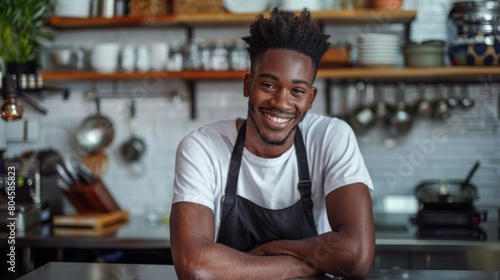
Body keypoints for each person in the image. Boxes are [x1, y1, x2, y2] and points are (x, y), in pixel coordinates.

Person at [170, 8, 375, 279]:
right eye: (268, 85)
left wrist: (270, 251)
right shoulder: (201, 148)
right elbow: (194, 266)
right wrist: (302, 264)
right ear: (248, 84)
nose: (281, 102)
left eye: (297, 91)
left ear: (310, 99)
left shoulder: (331, 137)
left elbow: (357, 256)